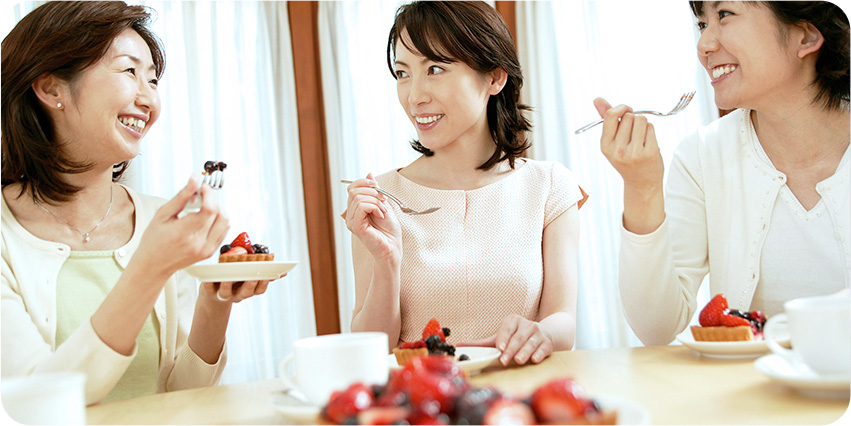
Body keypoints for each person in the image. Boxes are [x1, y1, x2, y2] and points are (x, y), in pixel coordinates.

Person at [1, 1, 278, 404]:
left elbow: (183, 394)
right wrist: (149, 267)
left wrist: (213, 300)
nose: (149, 100)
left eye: (153, 80)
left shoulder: (158, 222)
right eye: (130, 71)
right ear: (51, 88)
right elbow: (37, 402)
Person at [344, 1, 587, 367]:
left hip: (520, 405)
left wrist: (541, 333)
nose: (414, 96)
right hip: (423, 410)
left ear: (495, 77)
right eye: (403, 73)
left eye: (436, 68)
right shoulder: (379, 199)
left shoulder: (549, 186)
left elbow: (563, 322)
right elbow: (373, 349)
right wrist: (387, 259)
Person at [593, 1, 849, 345]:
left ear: (805, 36)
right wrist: (642, 189)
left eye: (724, 15)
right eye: (702, 24)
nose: (704, 45)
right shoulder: (702, 155)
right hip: (757, 397)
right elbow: (656, 328)